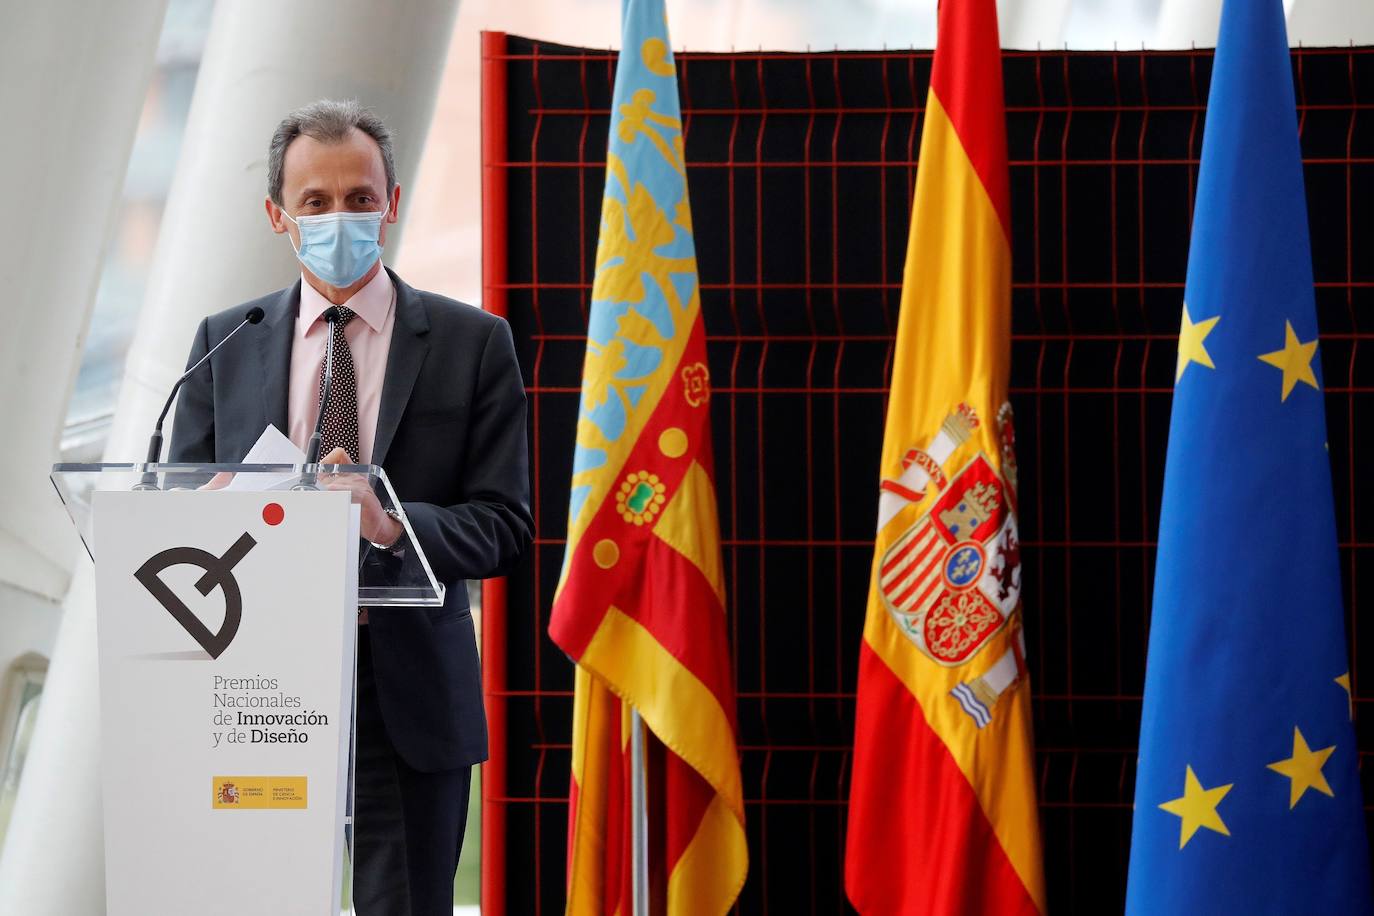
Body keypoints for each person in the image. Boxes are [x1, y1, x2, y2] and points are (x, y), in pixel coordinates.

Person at [168, 98, 531, 915]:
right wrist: (210, 508)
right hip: (253, 684)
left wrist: (389, 519)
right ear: (278, 216)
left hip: (403, 690)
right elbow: (174, 508)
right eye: (316, 203)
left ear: (392, 203)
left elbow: (506, 527)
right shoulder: (225, 340)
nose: (341, 218)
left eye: (360, 200)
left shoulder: (474, 344)